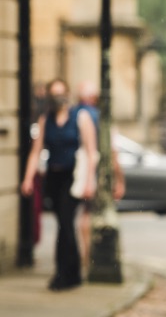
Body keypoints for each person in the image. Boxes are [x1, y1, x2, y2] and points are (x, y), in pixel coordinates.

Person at [20, 77, 97, 290]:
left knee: (65, 223)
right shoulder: (46, 119)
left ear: (68, 93)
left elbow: (91, 152)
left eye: (61, 92)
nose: (58, 97)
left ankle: (63, 274)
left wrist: (90, 182)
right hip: (53, 178)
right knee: (64, 224)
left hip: (72, 178)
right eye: (54, 93)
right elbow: (35, 152)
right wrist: (27, 178)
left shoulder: (80, 117)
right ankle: (73, 273)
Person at [75, 81, 125, 267]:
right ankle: (90, 256)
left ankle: (86, 255)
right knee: (93, 213)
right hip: (97, 173)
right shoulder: (101, 118)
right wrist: (119, 180)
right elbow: (113, 154)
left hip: (80, 172)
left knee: (86, 214)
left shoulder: (78, 115)